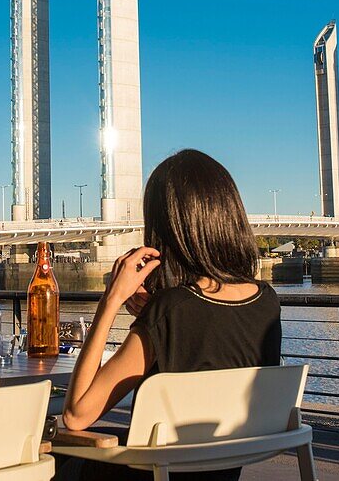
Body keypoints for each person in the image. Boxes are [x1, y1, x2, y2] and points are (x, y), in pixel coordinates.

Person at [59, 150, 282, 481]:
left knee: (48, 451)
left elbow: (77, 414)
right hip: (219, 469)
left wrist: (111, 301)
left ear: (167, 228)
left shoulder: (169, 311)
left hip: (155, 472)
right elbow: (205, 331)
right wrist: (155, 314)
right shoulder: (267, 301)